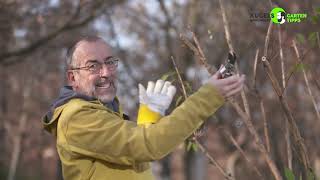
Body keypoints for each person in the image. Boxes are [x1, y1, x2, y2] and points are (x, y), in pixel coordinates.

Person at [42, 36, 245, 180]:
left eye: (110, 62)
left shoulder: (109, 113)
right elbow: (149, 145)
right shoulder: (76, 117)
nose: (106, 72)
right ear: (72, 78)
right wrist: (208, 97)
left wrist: (148, 120)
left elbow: (135, 158)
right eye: (92, 66)